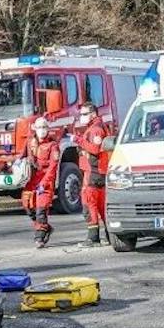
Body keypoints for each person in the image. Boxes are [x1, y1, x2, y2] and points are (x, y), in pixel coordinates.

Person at [73, 101, 112, 245]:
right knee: (101, 204)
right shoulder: (97, 127)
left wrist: (78, 140)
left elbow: (95, 149)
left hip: (93, 171)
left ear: (93, 114)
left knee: (89, 203)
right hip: (99, 170)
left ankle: (93, 237)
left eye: (84, 114)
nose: (81, 117)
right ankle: (110, 235)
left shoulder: (96, 129)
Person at [20, 116, 61, 247]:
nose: (42, 130)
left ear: (48, 129)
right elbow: (21, 158)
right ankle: (46, 227)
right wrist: (6, 165)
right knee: (28, 207)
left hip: (45, 181)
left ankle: (40, 237)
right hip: (31, 180)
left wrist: (44, 182)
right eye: (39, 127)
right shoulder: (30, 142)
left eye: (44, 127)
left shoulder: (53, 145)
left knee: (41, 209)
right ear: (34, 129)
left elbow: (53, 167)